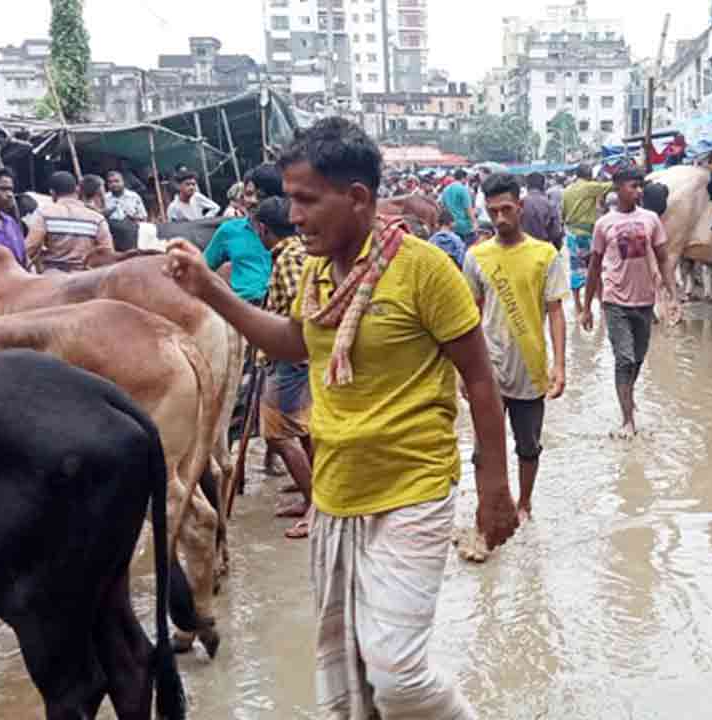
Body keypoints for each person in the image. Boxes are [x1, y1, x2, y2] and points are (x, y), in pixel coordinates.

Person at [162, 116, 517, 719]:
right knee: (348, 668)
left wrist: (493, 487)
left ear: (357, 198)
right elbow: (294, 341)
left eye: (305, 200)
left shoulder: (426, 270)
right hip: (336, 493)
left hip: (414, 490)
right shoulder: (321, 271)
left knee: (398, 673)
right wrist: (208, 290)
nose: (292, 216)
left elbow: (481, 380)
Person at [463, 173, 567, 539]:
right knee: (483, 449)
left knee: (528, 446)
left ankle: (524, 504)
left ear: (520, 207)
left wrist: (560, 365)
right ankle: (486, 505)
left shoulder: (545, 255)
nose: (500, 218)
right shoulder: (476, 257)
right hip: (486, 370)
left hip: (530, 367)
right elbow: (470, 315)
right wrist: (464, 372)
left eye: (506, 209)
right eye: (493, 211)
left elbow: (555, 310)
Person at [580, 167, 679, 439]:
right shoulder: (604, 224)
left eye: (640, 187)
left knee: (637, 358)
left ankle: (628, 397)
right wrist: (587, 306)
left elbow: (664, 257)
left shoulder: (651, 220)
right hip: (615, 301)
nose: (638, 191)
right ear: (618, 188)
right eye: (632, 186)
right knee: (623, 359)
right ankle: (627, 420)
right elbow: (594, 266)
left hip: (645, 301)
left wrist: (672, 295)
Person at [252, 196, 315, 539]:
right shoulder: (297, 251)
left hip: (291, 359)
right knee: (304, 431)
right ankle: (312, 500)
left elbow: (298, 310)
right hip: (299, 358)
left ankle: (314, 506)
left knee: (278, 433)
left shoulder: (289, 258)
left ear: (263, 229)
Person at [202, 170, 274, 306]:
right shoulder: (228, 231)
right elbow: (202, 268)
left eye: (261, 196)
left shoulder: (290, 230)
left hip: (281, 305)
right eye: (249, 194)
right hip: (245, 309)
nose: (253, 201)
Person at [23, 171, 115, 274]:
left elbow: (31, 248)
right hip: (86, 279)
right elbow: (108, 253)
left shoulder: (44, 214)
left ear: (52, 193)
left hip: (53, 279)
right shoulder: (97, 219)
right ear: (76, 190)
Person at [560, 163, 614, 312]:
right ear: (589, 175)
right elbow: (610, 186)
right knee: (594, 268)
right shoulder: (589, 187)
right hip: (586, 234)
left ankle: (578, 304)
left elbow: (562, 215)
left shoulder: (566, 191)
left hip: (571, 234)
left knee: (575, 269)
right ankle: (602, 303)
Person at [520, 172, 564, 250]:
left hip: (523, 248)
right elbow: (555, 233)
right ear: (543, 185)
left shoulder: (519, 203)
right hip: (543, 248)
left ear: (527, 186)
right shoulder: (549, 205)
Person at [440, 168, 477, 245]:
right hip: (464, 226)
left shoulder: (446, 189)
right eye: (466, 179)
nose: (466, 181)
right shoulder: (463, 189)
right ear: (463, 178)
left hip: (450, 225)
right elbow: (468, 208)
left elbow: (443, 206)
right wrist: (474, 223)